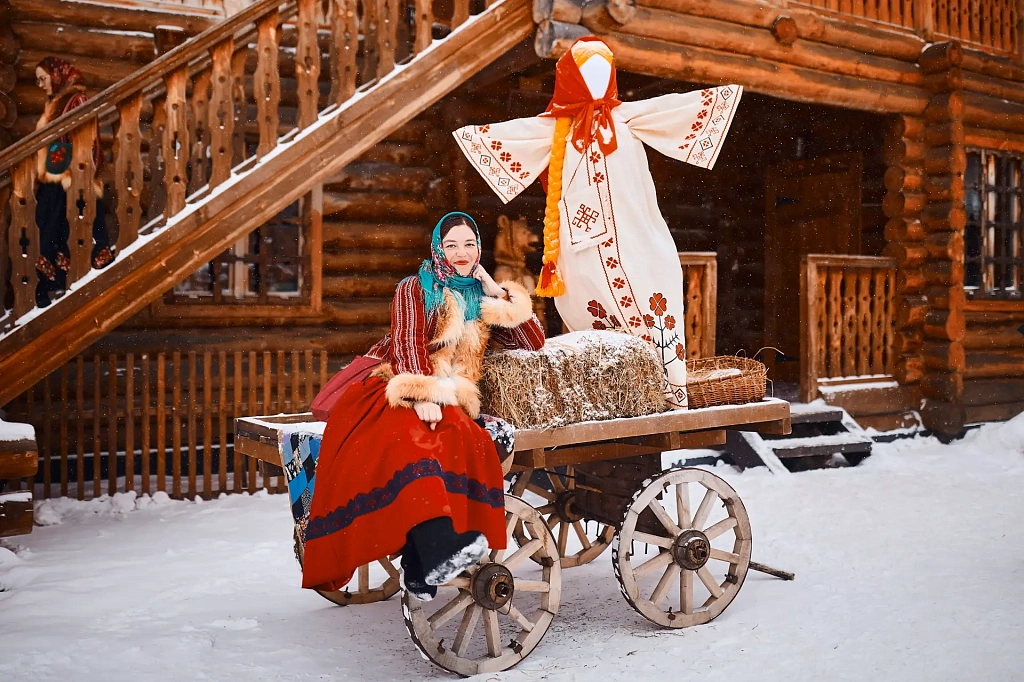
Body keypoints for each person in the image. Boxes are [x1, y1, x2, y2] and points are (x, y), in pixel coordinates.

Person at [453, 37, 743, 409]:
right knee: (589, 314)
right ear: (571, 78)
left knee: (653, 296)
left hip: (636, 234)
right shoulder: (557, 129)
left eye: (603, 71)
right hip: (583, 245)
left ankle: (666, 388)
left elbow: (674, 111)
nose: (596, 80)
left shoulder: (627, 118)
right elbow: (514, 136)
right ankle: (610, 395)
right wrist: (474, 135)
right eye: (587, 72)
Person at [301, 212, 545, 600]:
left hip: (451, 394)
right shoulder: (416, 287)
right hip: (392, 383)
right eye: (452, 245)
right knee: (416, 440)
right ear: (438, 248)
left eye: (469, 244)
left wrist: (500, 294)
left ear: (479, 248)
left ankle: (419, 563)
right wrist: (423, 394)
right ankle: (434, 548)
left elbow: (532, 342)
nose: (461, 253)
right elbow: (407, 343)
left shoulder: (481, 297)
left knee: (470, 439)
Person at [33, 56, 114, 308]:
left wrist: (62, 167)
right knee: (48, 231)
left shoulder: (76, 100)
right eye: (37, 80)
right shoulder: (57, 102)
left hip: (68, 179)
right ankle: (48, 286)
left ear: (57, 75)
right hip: (55, 178)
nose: (40, 85)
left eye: (43, 79)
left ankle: (51, 287)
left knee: (56, 231)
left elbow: (85, 142)